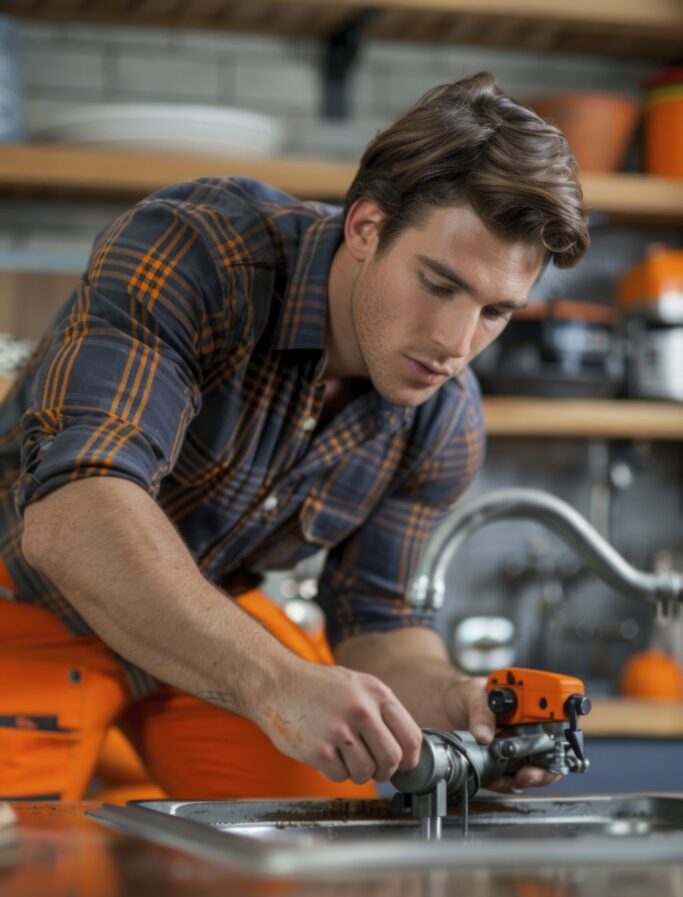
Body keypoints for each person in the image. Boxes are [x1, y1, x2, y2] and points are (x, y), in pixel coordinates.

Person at [0, 72, 589, 802]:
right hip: (24, 602)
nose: (455, 344)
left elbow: (377, 620)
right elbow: (71, 516)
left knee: (325, 848)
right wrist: (275, 680)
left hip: (206, 615)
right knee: (20, 867)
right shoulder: (201, 251)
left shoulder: (444, 419)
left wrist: (453, 697)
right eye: (438, 285)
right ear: (366, 227)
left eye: (495, 311)